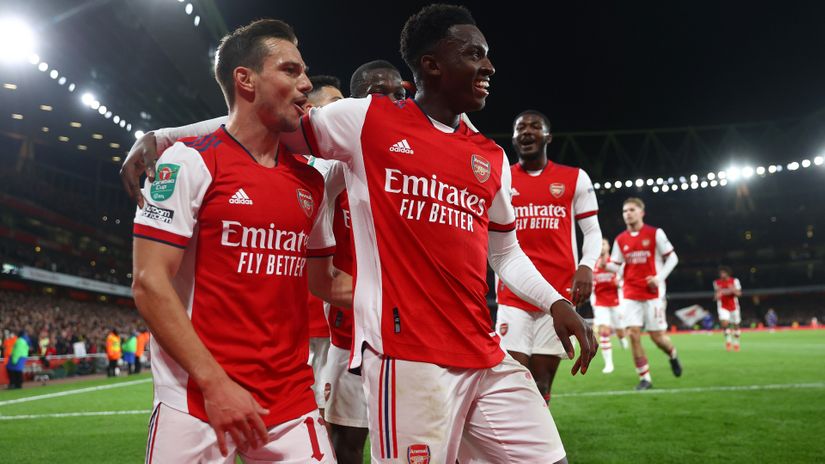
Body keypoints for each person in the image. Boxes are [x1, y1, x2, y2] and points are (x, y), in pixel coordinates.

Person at [122, 6, 596, 463]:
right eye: (473, 54)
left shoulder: (490, 156)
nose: (489, 64)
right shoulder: (367, 120)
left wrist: (555, 302)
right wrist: (163, 138)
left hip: (484, 350)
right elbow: (259, 122)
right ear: (432, 65)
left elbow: (505, 252)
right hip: (408, 357)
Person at [130, 19, 347, 462]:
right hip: (195, 399)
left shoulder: (311, 181)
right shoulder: (187, 163)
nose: (306, 84)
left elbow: (325, 282)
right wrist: (214, 383)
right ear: (244, 79)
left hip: (290, 400)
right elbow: (149, 282)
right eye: (290, 70)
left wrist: (412, 300)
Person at [312, 59, 407, 464]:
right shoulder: (333, 168)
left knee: (415, 442)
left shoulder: (416, 156)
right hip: (347, 330)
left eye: (395, 95)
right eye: (373, 96)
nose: (385, 104)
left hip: (410, 333)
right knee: (345, 441)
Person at [495, 110, 601, 404]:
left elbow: (591, 231)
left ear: (548, 137)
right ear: (514, 138)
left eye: (534, 126)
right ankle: (511, 448)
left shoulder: (574, 178)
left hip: (556, 298)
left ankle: (532, 449)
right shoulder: (500, 179)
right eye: (520, 128)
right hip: (512, 295)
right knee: (511, 382)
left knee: (541, 385)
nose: (526, 131)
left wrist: (586, 266)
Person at [302, 74, 345, 421]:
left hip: (332, 311)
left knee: (327, 413)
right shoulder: (286, 164)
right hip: (293, 313)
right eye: (337, 105)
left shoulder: (342, 165)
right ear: (312, 112)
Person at [610, 197, 682, 390]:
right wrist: (600, 264)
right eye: (625, 211)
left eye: (632, 210)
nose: (628, 214)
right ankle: (645, 378)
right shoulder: (620, 240)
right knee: (633, 334)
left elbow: (673, 258)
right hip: (630, 293)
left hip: (653, 294)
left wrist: (658, 278)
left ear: (642, 212)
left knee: (657, 337)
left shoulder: (655, 233)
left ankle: (673, 354)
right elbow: (615, 265)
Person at [592, 238, 625, 373]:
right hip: (600, 303)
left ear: (609, 246)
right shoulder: (592, 265)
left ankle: (622, 339)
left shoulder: (615, 264)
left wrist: (619, 284)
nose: (601, 246)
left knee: (620, 331)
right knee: (604, 332)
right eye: (598, 244)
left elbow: (625, 280)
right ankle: (609, 364)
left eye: (603, 243)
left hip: (616, 302)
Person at [714, 266, 743, 351]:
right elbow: (716, 295)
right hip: (723, 306)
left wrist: (732, 290)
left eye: (723, 273)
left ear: (727, 273)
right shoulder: (717, 282)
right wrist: (718, 294)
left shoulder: (734, 281)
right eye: (720, 273)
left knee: (736, 325)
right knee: (725, 323)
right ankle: (728, 341)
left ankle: (736, 343)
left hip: (734, 307)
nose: (721, 274)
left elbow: (739, 294)